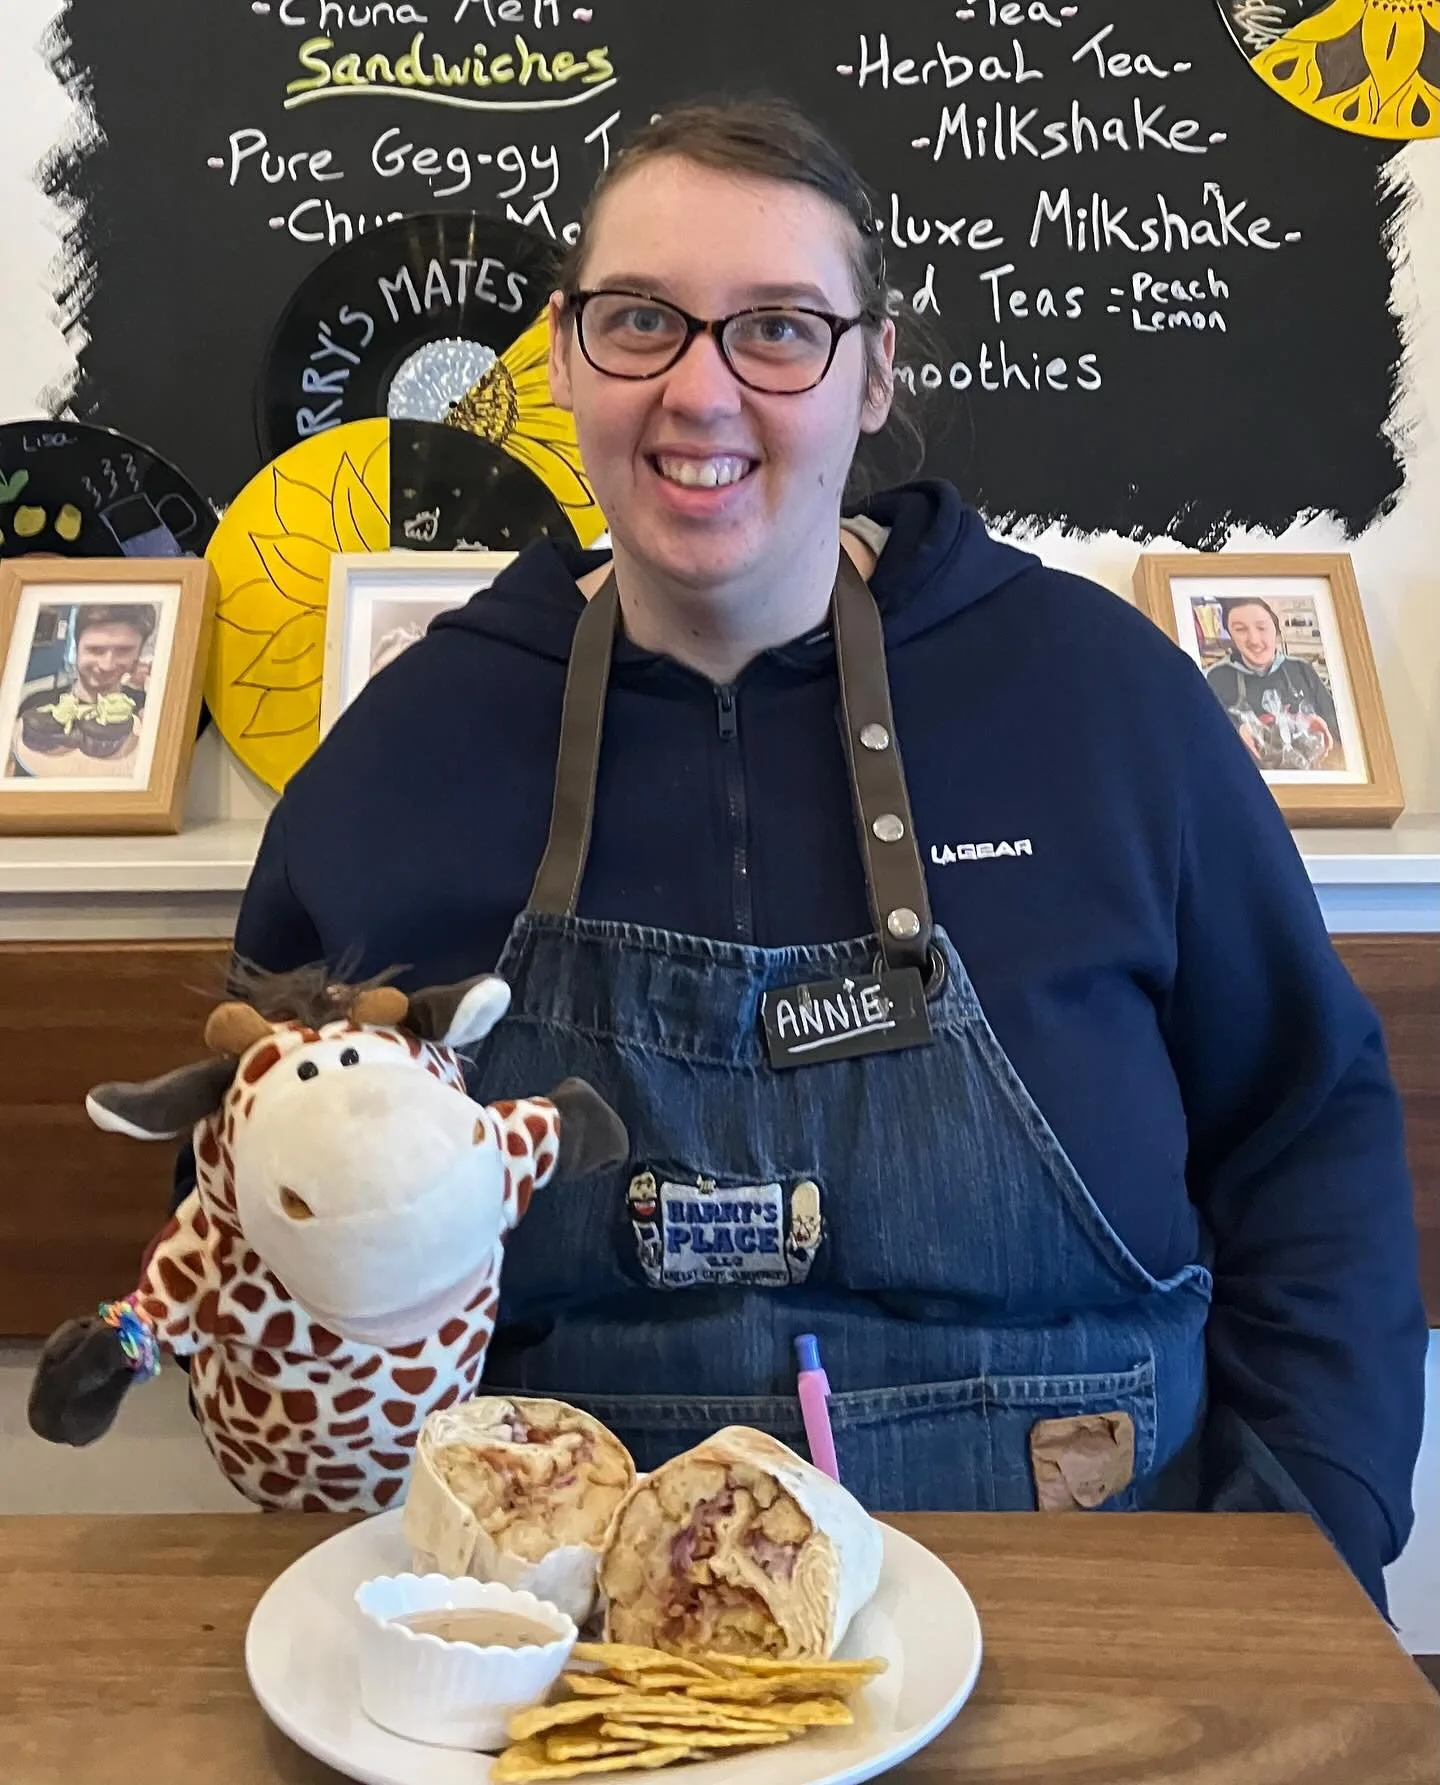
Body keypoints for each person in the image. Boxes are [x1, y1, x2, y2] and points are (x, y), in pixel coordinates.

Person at [196, 99, 1424, 1615]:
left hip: (1106, 1599)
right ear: (569, 359)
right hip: (554, 1654)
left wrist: (1298, 1552)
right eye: (641, 320)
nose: (700, 391)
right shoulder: (413, 751)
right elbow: (264, 1203)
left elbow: (1306, 1136)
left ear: (873, 370)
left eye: (777, 329)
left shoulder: (1100, 705)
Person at [1204, 596, 1341, 767]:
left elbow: (1339, 726)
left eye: (1262, 627)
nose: (1254, 639)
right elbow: (1205, 737)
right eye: (1240, 630)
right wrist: (1238, 733)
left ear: (1275, 628)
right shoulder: (1214, 678)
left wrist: (1323, 727)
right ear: (1230, 635)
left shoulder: (1301, 669)